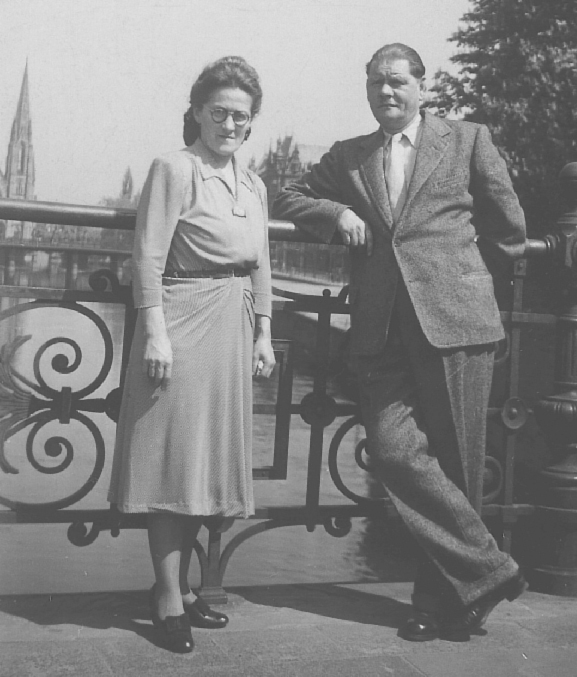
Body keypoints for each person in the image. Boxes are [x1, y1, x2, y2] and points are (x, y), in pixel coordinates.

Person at [272, 43, 527, 642]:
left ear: (421, 86)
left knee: (457, 466)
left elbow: (509, 227)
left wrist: (465, 281)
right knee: (391, 451)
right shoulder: (350, 155)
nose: (386, 91)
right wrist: (335, 215)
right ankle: (491, 572)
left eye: (396, 81)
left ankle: (439, 603)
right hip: (381, 328)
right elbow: (286, 196)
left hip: (457, 324)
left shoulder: (467, 140)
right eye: (375, 83)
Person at [107, 56, 275, 653]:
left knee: (209, 460)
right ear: (198, 113)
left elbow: (261, 262)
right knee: (173, 463)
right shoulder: (175, 168)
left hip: (232, 328)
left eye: (240, 117)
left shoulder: (254, 183)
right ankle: (168, 596)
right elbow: (148, 256)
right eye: (219, 112)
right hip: (181, 323)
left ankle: (187, 587)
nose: (229, 125)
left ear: (250, 124)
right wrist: (154, 331)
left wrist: (264, 332)